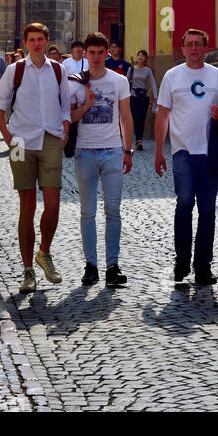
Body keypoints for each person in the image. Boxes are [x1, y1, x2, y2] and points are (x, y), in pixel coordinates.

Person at [154, 28, 218, 286]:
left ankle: (203, 265)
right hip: (182, 151)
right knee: (183, 204)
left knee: (207, 210)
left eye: (198, 44)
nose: (193, 48)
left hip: (209, 153)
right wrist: (159, 150)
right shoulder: (172, 76)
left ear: (205, 48)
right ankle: (181, 261)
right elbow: (162, 114)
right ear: (183, 49)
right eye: (189, 44)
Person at [0, 22, 71, 293]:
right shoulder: (15, 71)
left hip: (50, 139)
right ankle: (27, 270)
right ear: (26, 43)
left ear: (47, 41)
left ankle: (44, 252)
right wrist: (7, 138)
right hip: (20, 142)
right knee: (26, 207)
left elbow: (65, 106)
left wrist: (65, 128)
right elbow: (0, 106)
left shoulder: (59, 70)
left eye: (40, 39)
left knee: (52, 204)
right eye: (32, 40)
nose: (37, 44)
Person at [69, 33, 134, 287]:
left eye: (99, 52)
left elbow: (126, 117)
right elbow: (70, 118)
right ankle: (91, 265)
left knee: (113, 211)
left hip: (112, 151)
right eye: (91, 52)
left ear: (106, 53)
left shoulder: (118, 81)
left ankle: (112, 265)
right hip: (84, 152)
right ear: (84, 54)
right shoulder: (75, 82)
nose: (95, 57)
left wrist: (127, 150)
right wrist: (86, 105)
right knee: (88, 212)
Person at [128, 49, 158, 150]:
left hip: (144, 97)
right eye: (139, 55)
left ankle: (139, 139)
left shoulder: (148, 70)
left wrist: (155, 97)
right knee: (135, 118)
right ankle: (138, 140)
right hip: (133, 96)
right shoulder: (131, 69)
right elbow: (125, 82)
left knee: (142, 118)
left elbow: (153, 84)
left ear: (145, 58)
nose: (140, 57)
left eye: (143, 55)